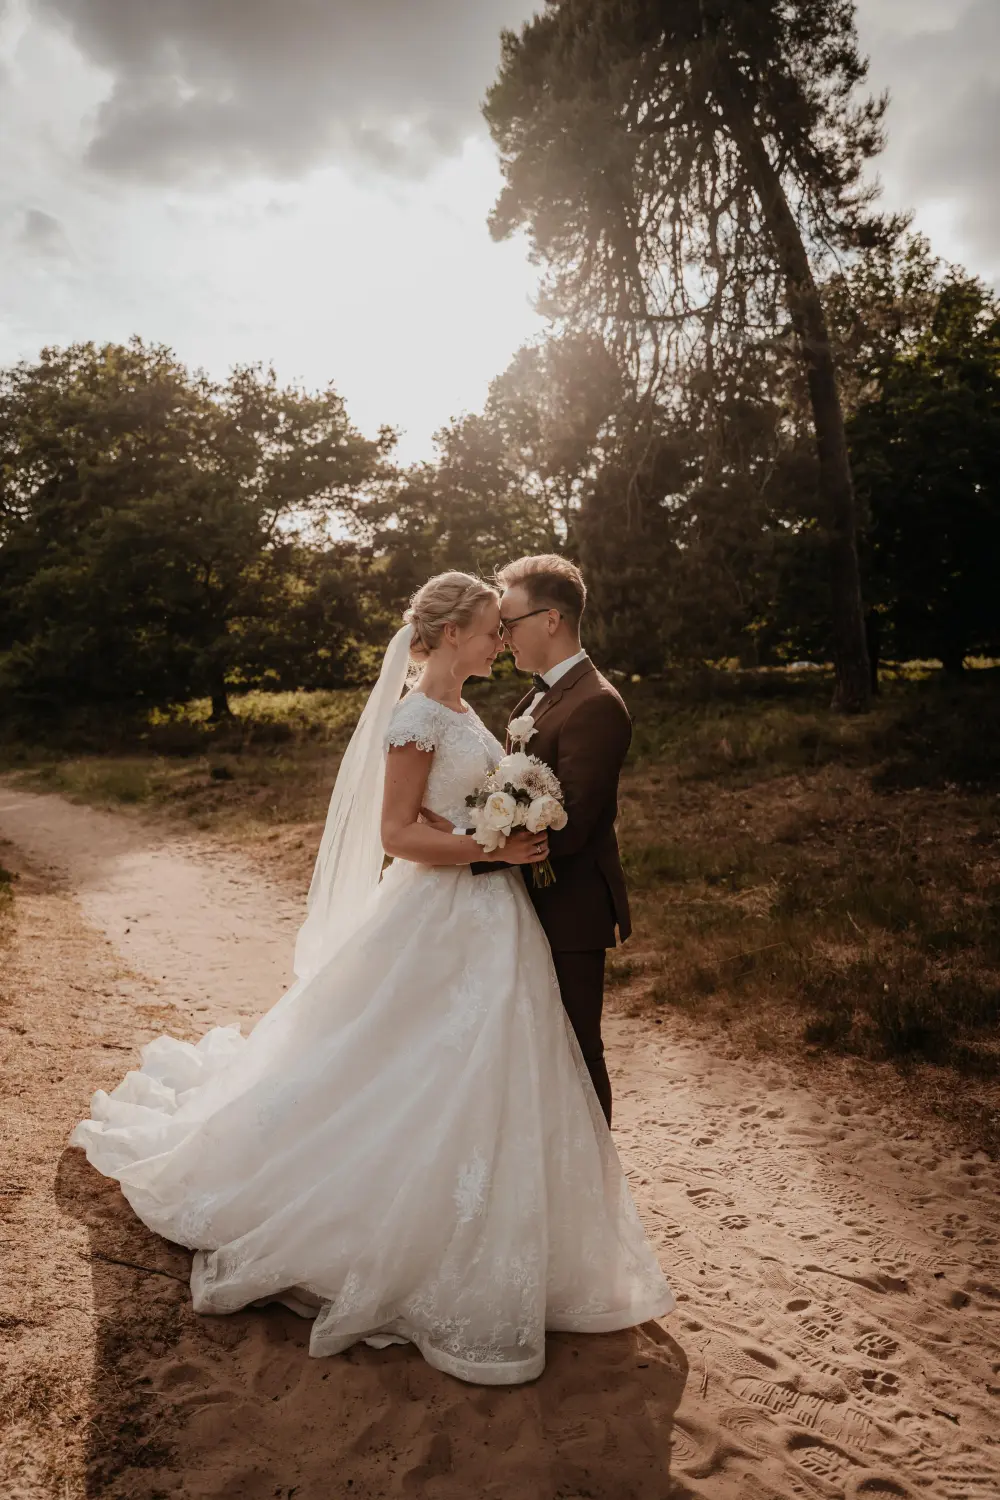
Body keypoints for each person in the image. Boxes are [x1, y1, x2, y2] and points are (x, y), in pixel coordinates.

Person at [69, 571, 674, 1386]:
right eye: (492, 626)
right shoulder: (419, 714)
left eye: (509, 624)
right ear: (454, 632)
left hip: (497, 918)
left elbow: (465, 805)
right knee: (411, 1063)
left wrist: (486, 831)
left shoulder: (466, 710)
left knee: (499, 1069)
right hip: (448, 907)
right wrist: (489, 845)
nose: (502, 638)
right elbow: (396, 831)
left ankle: (530, 1225)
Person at [478, 555, 631, 1126]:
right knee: (537, 1048)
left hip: (571, 908)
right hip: (529, 900)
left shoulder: (595, 703)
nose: (501, 636)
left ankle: (597, 1188)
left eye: (509, 622)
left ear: (551, 620)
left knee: (577, 1049)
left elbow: (574, 826)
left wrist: (477, 853)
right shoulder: (535, 698)